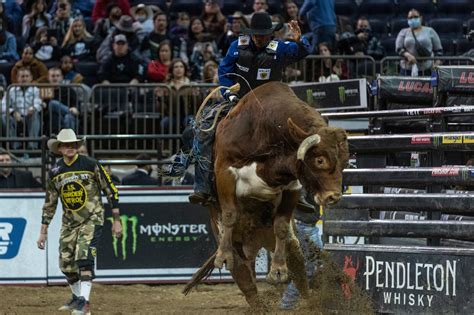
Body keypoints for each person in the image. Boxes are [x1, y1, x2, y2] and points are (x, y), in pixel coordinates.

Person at [188, 12, 311, 205]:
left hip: (272, 105)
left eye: (263, 35)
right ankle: (202, 186)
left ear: (270, 34)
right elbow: (224, 71)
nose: (259, 38)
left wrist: (300, 40)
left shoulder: (280, 48)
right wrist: (229, 92)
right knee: (204, 130)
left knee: (294, 135)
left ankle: (299, 193)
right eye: (256, 34)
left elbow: (303, 52)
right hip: (238, 100)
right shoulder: (237, 46)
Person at [37, 129, 122, 314]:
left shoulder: (90, 164)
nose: (70, 147)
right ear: (59, 148)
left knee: (84, 256)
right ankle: (77, 298)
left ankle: (84, 302)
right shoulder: (55, 172)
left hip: (92, 218)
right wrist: (43, 231)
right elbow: (49, 203)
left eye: (73, 144)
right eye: (66, 144)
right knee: (66, 263)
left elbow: (111, 190)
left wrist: (116, 220)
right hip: (69, 223)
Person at [280, 192, 323, 310]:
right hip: (304, 227)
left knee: (314, 266)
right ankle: (287, 302)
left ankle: (289, 301)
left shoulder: (307, 182)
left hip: (304, 226)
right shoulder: (306, 182)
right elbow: (302, 201)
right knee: (311, 267)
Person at [2, 67, 42, 149]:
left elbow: (38, 103)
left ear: (31, 78)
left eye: (27, 76)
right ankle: (15, 146)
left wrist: (33, 108)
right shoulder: (11, 90)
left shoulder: (36, 90)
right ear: (17, 78)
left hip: (29, 116)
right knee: (4, 117)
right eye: (22, 76)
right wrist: (13, 112)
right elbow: (2, 105)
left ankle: (32, 147)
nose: (24, 79)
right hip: (16, 117)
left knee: (35, 114)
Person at [396, 9, 443, 76]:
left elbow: (439, 51)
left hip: (427, 69)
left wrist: (436, 65)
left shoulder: (430, 31)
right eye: (410, 18)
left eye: (415, 17)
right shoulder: (403, 32)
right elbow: (398, 48)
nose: (413, 19)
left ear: (421, 18)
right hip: (407, 69)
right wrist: (407, 55)